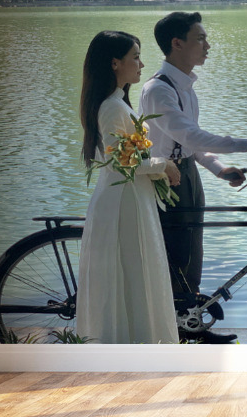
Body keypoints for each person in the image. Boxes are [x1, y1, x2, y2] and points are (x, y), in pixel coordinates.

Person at [140, 12, 247, 344]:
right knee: (177, 254)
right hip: (165, 179)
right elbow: (192, 136)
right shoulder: (158, 90)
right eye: (200, 39)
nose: (207, 45)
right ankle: (176, 327)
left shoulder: (184, 85)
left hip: (186, 173)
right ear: (176, 43)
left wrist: (219, 169)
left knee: (193, 251)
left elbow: (190, 145)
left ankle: (190, 324)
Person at [77, 31, 182, 344]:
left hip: (130, 197)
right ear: (114, 63)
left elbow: (126, 160)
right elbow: (120, 164)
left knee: (135, 273)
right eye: (135, 56)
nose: (141, 63)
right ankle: (132, 347)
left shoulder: (116, 103)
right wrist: (163, 164)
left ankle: (140, 346)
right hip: (123, 201)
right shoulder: (111, 108)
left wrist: (157, 168)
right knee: (131, 274)